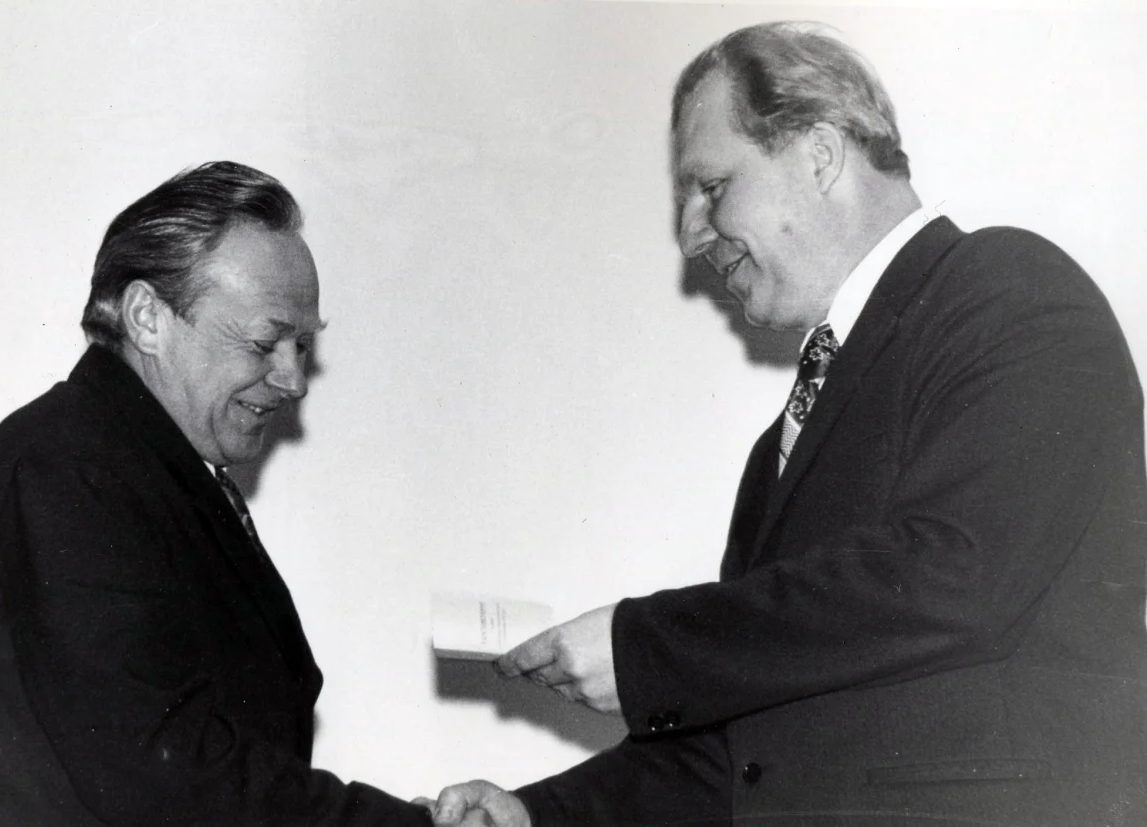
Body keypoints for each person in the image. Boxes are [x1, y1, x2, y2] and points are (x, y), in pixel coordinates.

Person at [426, 22, 1147, 827]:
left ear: (820, 154)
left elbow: (955, 574)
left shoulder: (1007, 289)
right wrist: (538, 814)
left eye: (712, 187)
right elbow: (740, 749)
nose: (690, 235)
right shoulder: (777, 450)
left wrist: (645, 646)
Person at [0, 162, 431, 826]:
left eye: (301, 345)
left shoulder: (125, 464)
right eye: (264, 341)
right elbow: (161, 776)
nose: (293, 379)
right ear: (148, 317)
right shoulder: (65, 469)